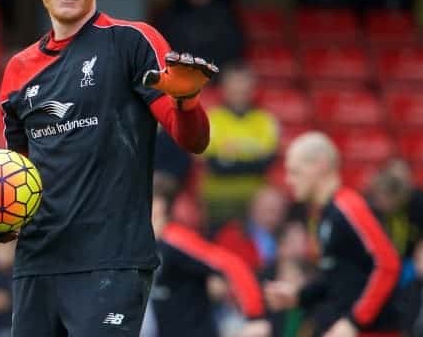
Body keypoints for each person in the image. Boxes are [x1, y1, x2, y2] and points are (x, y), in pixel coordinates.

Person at [0, 0, 218, 337]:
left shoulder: (134, 41)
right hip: (38, 261)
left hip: (112, 261)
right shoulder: (18, 71)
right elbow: (22, 173)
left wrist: (186, 101)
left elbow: (194, 140)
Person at [265, 132, 401, 337]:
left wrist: (354, 322)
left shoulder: (349, 207)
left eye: (295, 172)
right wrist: (299, 296)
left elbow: (388, 264)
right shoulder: (325, 215)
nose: (289, 180)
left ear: (319, 166)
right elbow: (338, 278)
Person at [143, 188, 267, 337]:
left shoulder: (177, 240)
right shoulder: (143, 245)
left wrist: (255, 316)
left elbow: (231, 265)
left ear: (159, 205)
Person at [201, 62, 279, 224]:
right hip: (218, 200)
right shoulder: (211, 119)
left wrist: (230, 161)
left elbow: (265, 164)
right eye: (234, 89)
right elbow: (214, 165)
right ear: (224, 89)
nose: (239, 94)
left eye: (244, 89)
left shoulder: (265, 121)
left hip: (255, 199)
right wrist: (250, 161)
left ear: (252, 90)